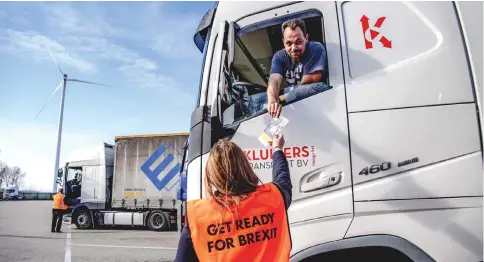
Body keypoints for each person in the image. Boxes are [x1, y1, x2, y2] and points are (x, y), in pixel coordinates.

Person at [175, 134, 292, 262]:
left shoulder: (198, 218)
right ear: (245, 166)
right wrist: (277, 148)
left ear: (212, 175)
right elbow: (283, 177)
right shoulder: (273, 198)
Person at [267, 18, 328, 118]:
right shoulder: (279, 56)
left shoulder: (315, 48)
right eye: (289, 43)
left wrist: (280, 98)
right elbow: (274, 81)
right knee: (261, 100)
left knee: (318, 86)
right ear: (283, 42)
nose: (294, 48)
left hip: (319, 102)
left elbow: (309, 82)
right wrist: (272, 101)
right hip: (296, 103)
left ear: (306, 38)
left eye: (298, 42)